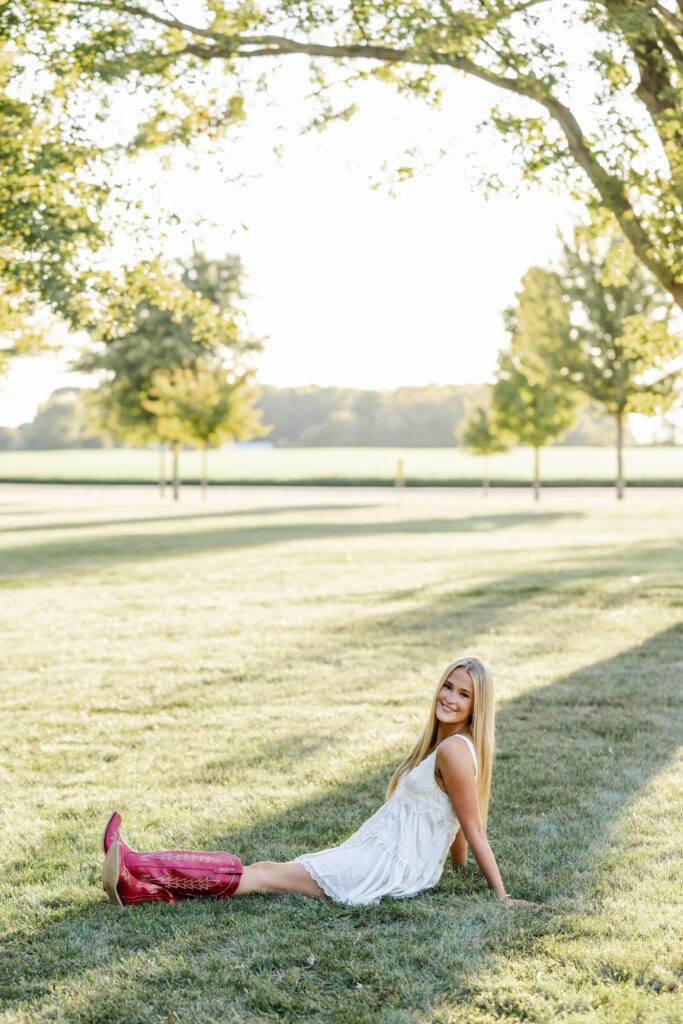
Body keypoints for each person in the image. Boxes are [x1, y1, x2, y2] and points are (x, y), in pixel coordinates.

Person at [101, 656, 524, 908]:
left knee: (263, 874)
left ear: (477, 705)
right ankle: (138, 885)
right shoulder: (444, 745)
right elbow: (452, 818)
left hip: (386, 866)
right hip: (379, 854)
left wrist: (501, 895)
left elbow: (471, 827)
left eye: (463, 694)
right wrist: (456, 865)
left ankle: (137, 865)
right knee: (264, 871)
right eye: (447, 687)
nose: (448, 698)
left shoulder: (453, 751)